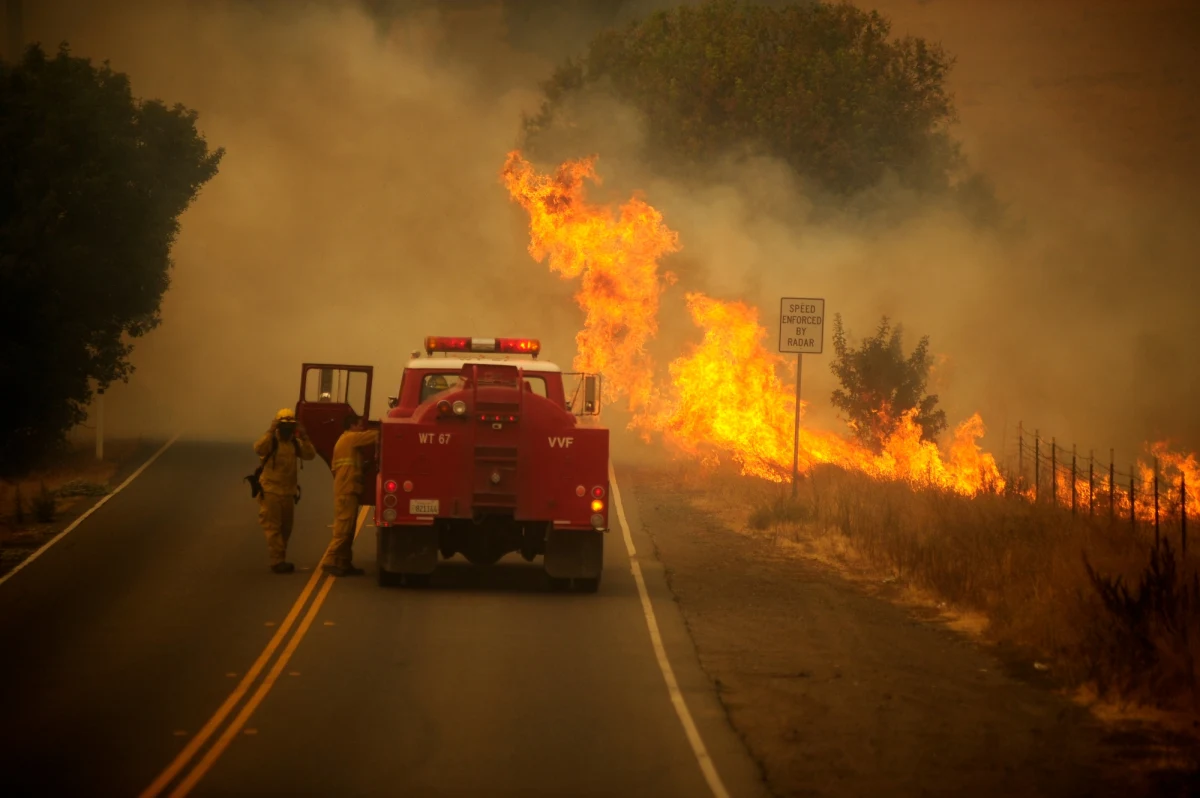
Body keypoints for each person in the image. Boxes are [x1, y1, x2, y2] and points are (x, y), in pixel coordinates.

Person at [253, 408, 316, 574]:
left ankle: (280, 557)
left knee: (286, 528)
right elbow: (258, 448)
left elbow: (310, 455)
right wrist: (271, 430)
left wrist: (304, 435)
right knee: (273, 528)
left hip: (288, 493)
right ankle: (277, 561)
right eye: (284, 425)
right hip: (271, 492)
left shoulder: (294, 443)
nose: (287, 428)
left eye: (290, 424)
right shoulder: (271, 442)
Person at [320, 412, 380, 577]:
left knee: (349, 529)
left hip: (348, 489)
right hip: (347, 490)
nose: (362, 429)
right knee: (343, 529)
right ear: (352, 426)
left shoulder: (346, 443)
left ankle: (344, 563)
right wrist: (388, 427)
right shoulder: (350, 438)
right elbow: (374, 436)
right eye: (360, 426)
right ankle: (330, 560)